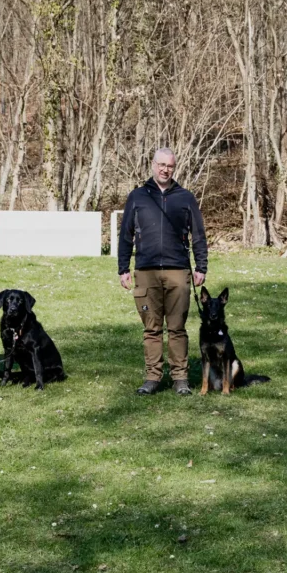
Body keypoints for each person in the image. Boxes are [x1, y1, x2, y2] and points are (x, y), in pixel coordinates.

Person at [117, 148, 208, 396]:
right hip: (145, 271)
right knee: (152, 328)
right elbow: (125, 235)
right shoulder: (137, 196)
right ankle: (152, 377)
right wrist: (123, 269)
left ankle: (180, 378)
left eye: (170, 166)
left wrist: (201, 266)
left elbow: (198, 235)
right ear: (152, 165)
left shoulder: (185, 198)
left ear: (174, 168)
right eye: (161, 164)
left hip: (178, 270)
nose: (165, 169)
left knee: (177, 327)